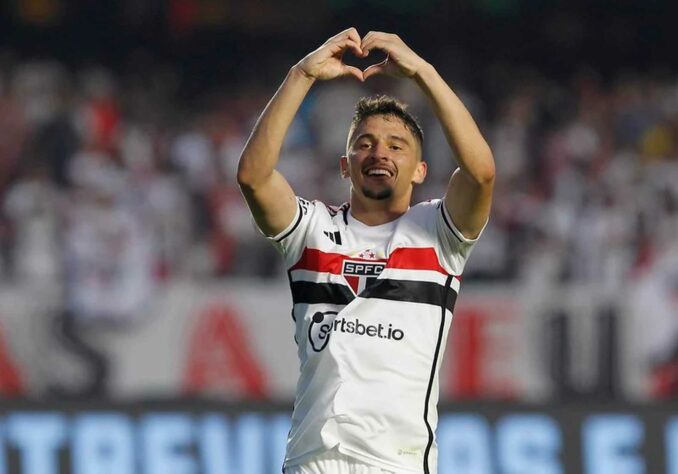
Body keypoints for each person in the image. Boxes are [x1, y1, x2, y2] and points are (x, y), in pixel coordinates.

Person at [237, 28, 495, 474]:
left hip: (397, 465)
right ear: (345, 165)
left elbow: (481, 173)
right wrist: (302, 74)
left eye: (397, 146)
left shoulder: (438, 234)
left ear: (420, 170)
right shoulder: (312, 230)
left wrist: (423, 73)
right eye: (364, 143)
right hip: (312, 461)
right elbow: (253, 177)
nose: (380, 152)